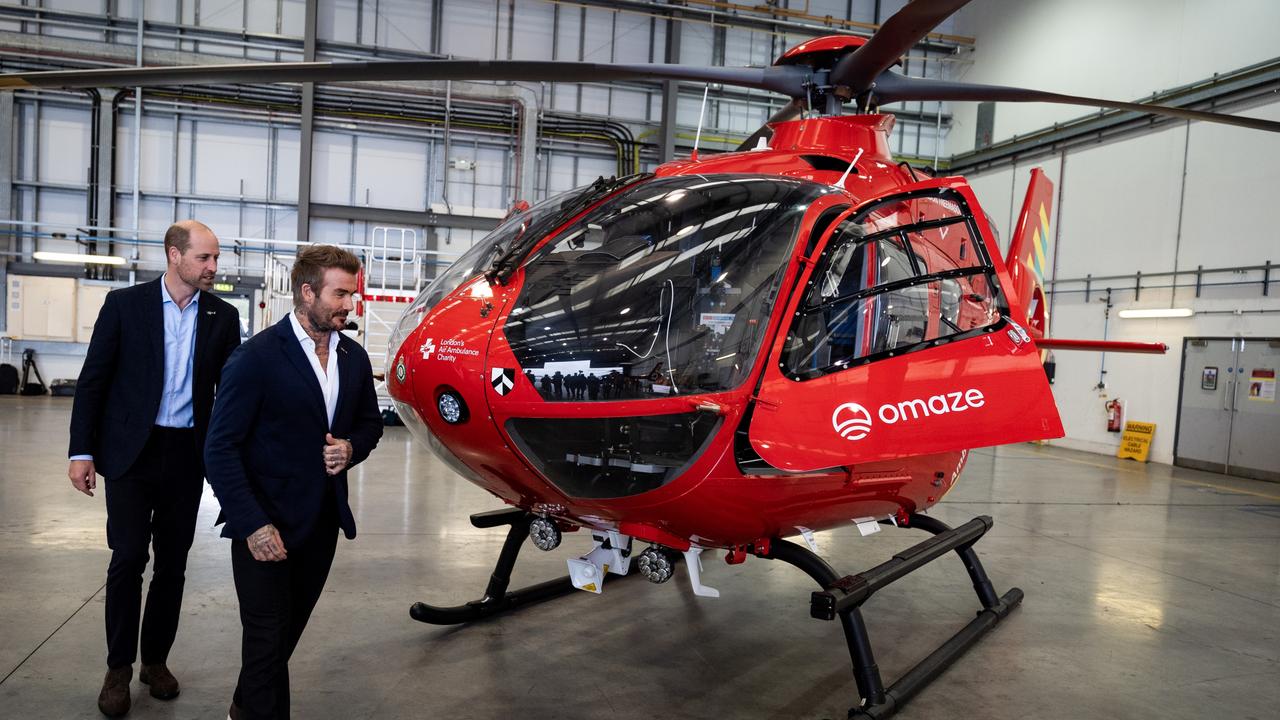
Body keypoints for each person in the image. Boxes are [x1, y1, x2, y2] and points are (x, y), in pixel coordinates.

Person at [67, 220, 242, 717]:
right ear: (174, 255)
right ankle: (118, 668)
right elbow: (93, 382)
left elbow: (230, 394)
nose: (213, 267)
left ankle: (155, 661)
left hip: (186, 454)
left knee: (173, 563)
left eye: (215, 259)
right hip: (128, 452)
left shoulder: (221, 316)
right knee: (127, 560)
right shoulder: (125, 306)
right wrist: (81, 451)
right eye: (204, 258)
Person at [204, 245, 383, 720]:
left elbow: (370, 424)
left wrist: (350, 448)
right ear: (306, 292)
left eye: (352, 292)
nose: (349, 303)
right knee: (265, 639)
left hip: (320, 523)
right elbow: (219, 449)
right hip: (265, 524)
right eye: (339, 293)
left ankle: (244, 706)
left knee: (283, 638)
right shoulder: (256, 358)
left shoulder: (354, 358)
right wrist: (253, 525)